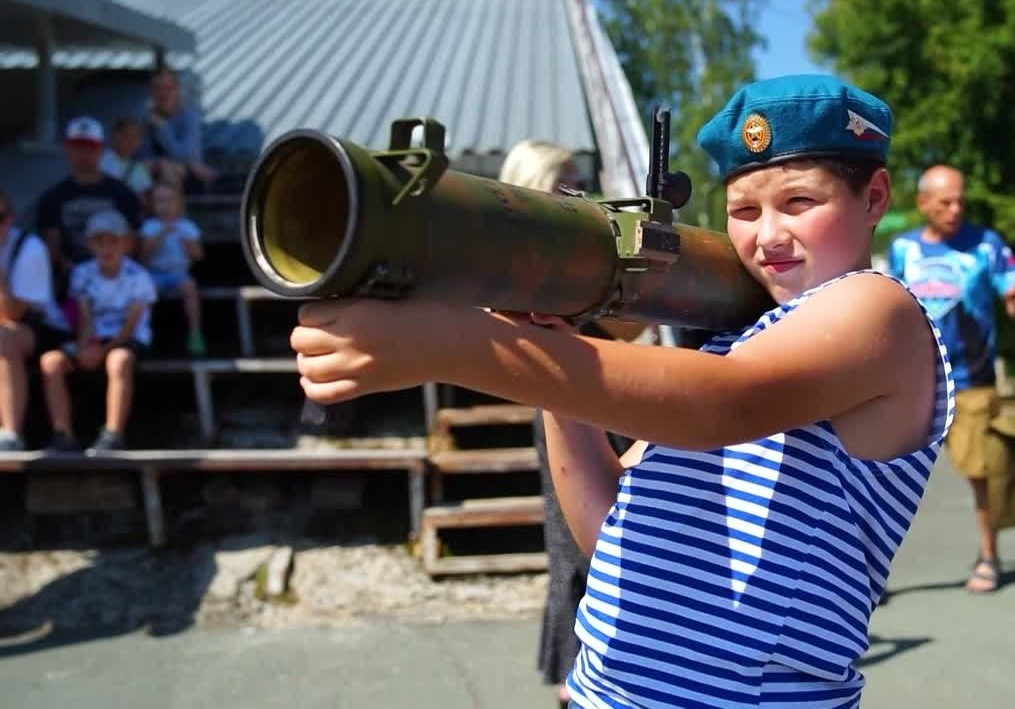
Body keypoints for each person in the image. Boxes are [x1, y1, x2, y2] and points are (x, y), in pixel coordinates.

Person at [289, 74, 954, 708]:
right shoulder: (732, 344)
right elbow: (610, 534)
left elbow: (726, 403)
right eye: (743, 211)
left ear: (874, 198)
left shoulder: (880, 311)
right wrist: (549, 338)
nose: (767, 235)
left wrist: (452, 345)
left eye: (800, 203)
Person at [495, 138, 636, 708]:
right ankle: (573, 682)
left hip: (604, 396)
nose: (581, 198)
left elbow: (623, 329)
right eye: (565, 186)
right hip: (568, 399)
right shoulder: (517, 267)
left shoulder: (577, 258)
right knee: (576, 549)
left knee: (604, 534)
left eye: (581, 185)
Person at [887, 165, 1015, 593]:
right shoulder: (903, 249)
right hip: (913, 380)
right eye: (944, 202)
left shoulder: (986, 245)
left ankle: (989, 555)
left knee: (980, 471)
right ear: (923, 203)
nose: (954, 210)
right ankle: (864, 573)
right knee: (880, 474)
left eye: (960, 201)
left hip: (972, 379)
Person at [40, 209, 156, 454]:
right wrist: (84, 348)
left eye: (113, 242)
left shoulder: (140, 277)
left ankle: (113, 434)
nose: (107, 249)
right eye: (99, 242)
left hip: (126, 341)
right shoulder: (82, 274)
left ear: (125, 243)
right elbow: (85, 318)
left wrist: (102, 350)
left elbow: (130, 326)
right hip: (91, 341)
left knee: (119, 360)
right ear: (90, 244)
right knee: (50, 362)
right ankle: (63, 435)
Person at [35, 116, 143, 300]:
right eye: (77, 147)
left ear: (101, 150)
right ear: (67, 150)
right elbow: (51, 248)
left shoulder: (124, 194)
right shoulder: (52, 198)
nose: (83, 154)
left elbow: (133, 242)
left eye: (90, 147)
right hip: (72, 281)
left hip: (118, 281)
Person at [0, 188, 72, 451]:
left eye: (1, 216)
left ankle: (9, 434)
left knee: (4, 337)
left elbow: (12, 314)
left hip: (43, 329)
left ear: (10, 217)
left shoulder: (30, 248)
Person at [139, 181, 207, 356]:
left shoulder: (187, 227)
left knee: (190, 288)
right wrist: (160, 235)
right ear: (152, 205)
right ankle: (143, 334)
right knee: (144, 292)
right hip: (154, 275)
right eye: (160, 201)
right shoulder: (149, 227)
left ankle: (195, 333)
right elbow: (144, 257)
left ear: (178, 203)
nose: (165, 205)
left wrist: (188, 244)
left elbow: (198, 256)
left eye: (170, 200)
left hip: (179, 274)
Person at [140, 66, 218, 189]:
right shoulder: (147, 117)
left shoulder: (190, 116)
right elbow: (142, 155)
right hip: (155, 177)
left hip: (192, 179)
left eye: (167, 88)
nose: (162, 94)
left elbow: (186, 156)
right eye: (157, 88)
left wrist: (162, 127)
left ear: (177, 90)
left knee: (169, 168)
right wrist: (158, 162)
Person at [100, 117, 154, 201]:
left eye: (136, 138)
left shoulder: (140, 170)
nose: (131, 141)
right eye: (126, 135)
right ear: (114, 135)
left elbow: (145, 198)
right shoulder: (97, 158)